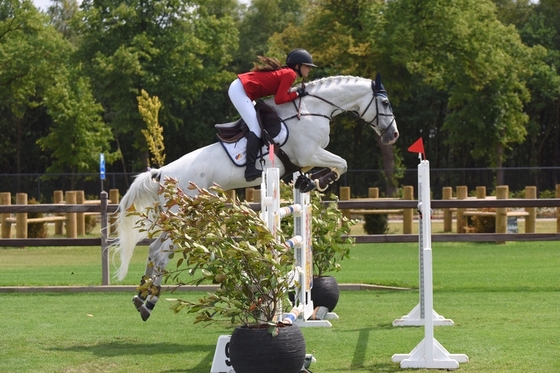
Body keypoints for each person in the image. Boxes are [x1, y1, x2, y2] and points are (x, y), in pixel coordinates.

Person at [228, 48, 317, 182]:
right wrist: (298, 94)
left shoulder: (288, 73)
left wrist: (296, 93)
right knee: (256, 128)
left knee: (257, 124)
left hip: (243, 90)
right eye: (307, 66)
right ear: (297, 66)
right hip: (240, 91)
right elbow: (279, 100)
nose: (310, 69)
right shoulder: (290, 74)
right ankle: (250, 169)